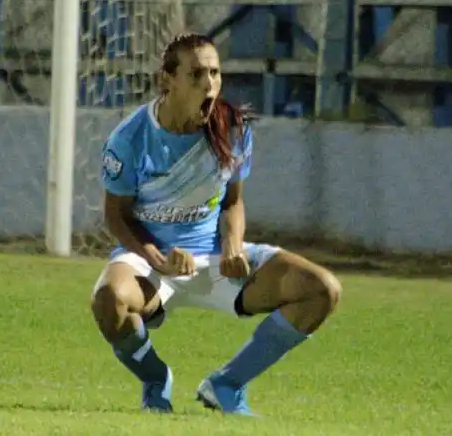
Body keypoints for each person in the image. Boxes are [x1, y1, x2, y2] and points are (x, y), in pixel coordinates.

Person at [90, 32, 341, 416]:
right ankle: (155, 379)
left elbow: (233, 202)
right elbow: (116, 215)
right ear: (168, 79)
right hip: (151, 263)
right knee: (108, 301)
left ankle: (227, 385)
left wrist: (233, 246)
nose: (209, 84)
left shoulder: (232, 128)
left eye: (215, 73)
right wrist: (157, 259)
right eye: (196, 74)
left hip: (214, 257)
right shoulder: (130, 139)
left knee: (322, 290)